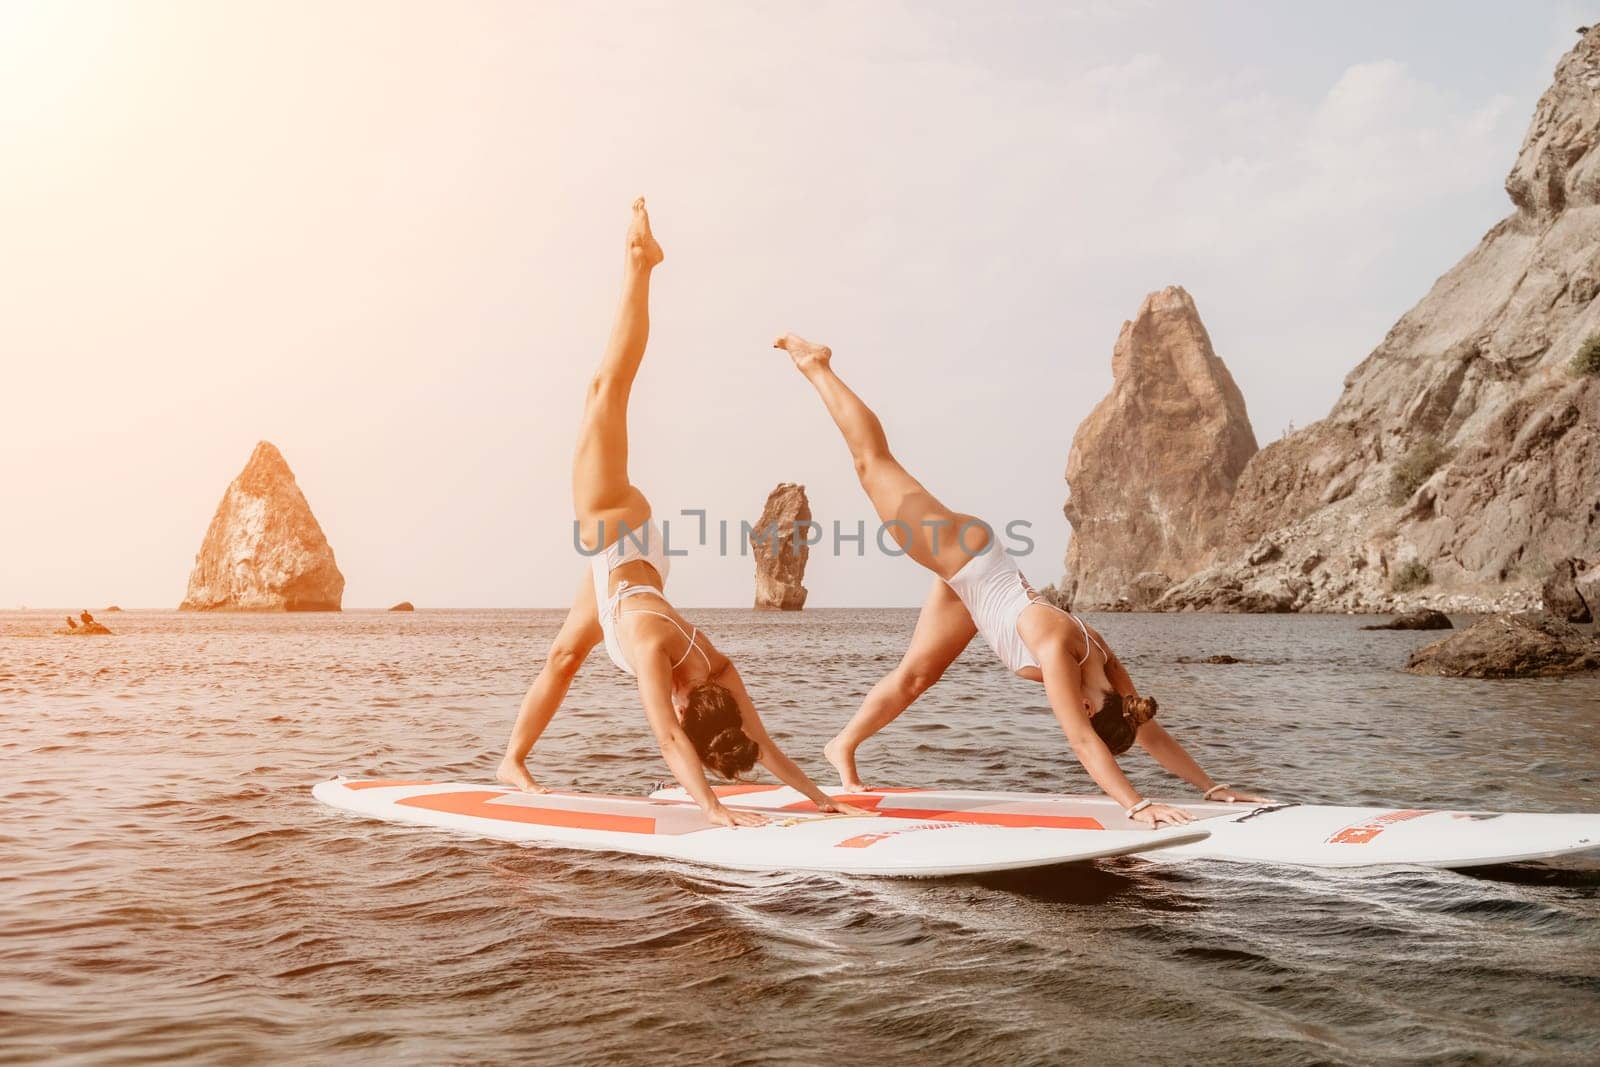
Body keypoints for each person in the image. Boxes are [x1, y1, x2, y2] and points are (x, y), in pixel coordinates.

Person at [774, 333, 1266, 828]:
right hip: (959, 552)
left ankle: (841, 744)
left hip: (969, 584)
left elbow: (1148, 732)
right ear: (1093, 706)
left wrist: (1213, 787)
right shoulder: (1060, 654)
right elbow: (1080, 740)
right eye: (1084, 709)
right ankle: (817, 366)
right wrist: (1137, 805)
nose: (1075, 708)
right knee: (872, 462)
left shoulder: (1111, 678)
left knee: (917, 677)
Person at [496, 201, 866, 829]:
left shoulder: (718, 668)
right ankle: (640, 265)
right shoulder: (656, 655)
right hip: (615, 539)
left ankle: (512, 760)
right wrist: (715, 811)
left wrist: (822, 802)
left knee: (564, 656)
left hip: (637, 563)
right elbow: (670, 740)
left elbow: (765, 747)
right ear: (689, 697)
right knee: (605, 392)